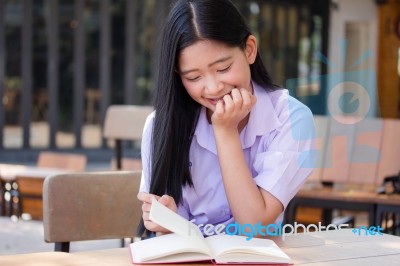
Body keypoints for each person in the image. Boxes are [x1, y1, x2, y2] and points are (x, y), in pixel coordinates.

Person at [137, 0, 316, 238]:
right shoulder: (161, 125)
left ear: (250, 50)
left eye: (223, 69)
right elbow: (167, 233)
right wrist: (167, 219)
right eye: (193, 77)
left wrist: (225, 131)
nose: (212, 88)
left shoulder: (292, 120)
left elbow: (256, 225)